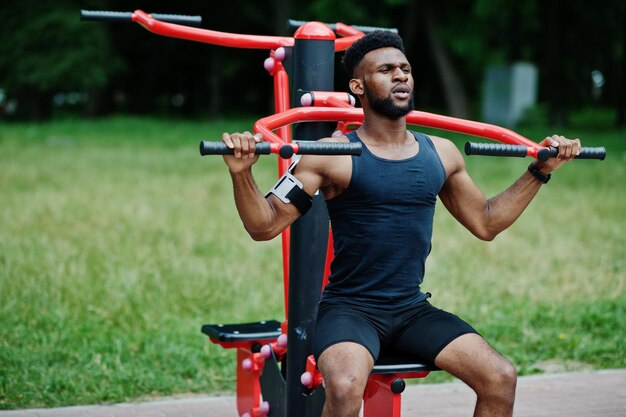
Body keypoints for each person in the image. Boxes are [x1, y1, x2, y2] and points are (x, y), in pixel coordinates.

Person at [219, 31, 581, 417]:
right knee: (343, 388)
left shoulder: (441, 153)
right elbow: (265, 225)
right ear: (358, 86)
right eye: (386, 70)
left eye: (405, 69)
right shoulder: (329, 157)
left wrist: (539, 171)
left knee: (500, 375)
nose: (400, 77)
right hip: (349, 310)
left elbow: (486, 222)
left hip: (411, 310)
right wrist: (241, 174)